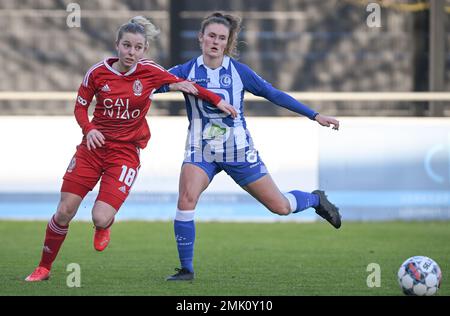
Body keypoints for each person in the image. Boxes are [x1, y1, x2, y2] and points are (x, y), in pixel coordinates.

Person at [25, 16, 237, 282]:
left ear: (144, 50)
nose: (131, 52)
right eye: (127, 45)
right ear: (117, 45)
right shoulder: (97, 73)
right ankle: (43, 267)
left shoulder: (149, 71)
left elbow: (188, 85)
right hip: (92, 149)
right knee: (65, 210)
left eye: (137, 47)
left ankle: (104, 225)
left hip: (124, 154)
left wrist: (217, 100)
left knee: (100, 217)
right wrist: (89, 129)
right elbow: (80, 107)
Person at [158, 12, 342, 281]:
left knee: (280, 206)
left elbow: (274, 94)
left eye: (222, 38)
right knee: (186, 199)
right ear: (201, 38)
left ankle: (315, 199)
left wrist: (314, 115)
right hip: (201, 150)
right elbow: (149, 85)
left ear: (227, 42)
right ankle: (186, 269)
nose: (215, 41)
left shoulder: (238, 72)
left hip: (238, 152)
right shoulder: (185, 71)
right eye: (211, 35)